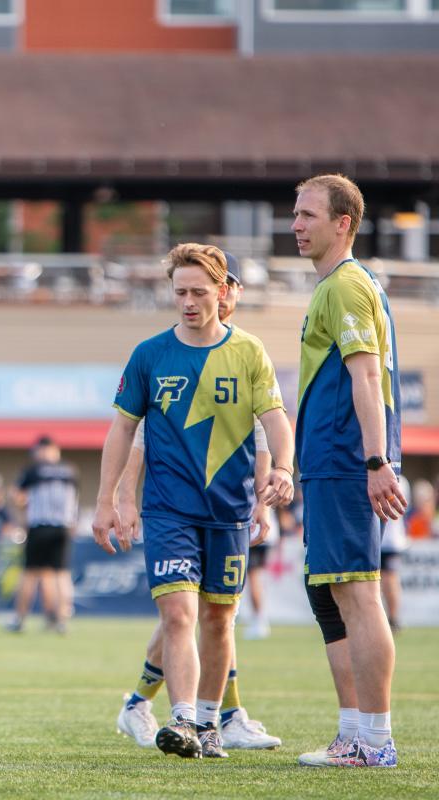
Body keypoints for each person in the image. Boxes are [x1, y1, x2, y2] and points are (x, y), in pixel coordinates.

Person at [92, 243, 294, 760]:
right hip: (168, 510)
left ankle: (211, 722)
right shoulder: (150, 354)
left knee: (219, 620)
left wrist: (283, 472)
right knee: (179, 615)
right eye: (179, 291)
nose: (187, 302)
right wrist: (108, 499)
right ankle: (182, 719)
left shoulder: (248, 351)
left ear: (222, 292)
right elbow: (124, 430)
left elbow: (274, 421)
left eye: (198, 292)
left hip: (228, 511)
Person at [291, 174, 405, 768]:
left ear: (343, 224)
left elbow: (365, 376)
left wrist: (375, 460)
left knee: (358, 594)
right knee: (338, 594)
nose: (296, 224)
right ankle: (355, 733)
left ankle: (375, 742)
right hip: (333, 460)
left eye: (308, 215)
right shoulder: (338, 285)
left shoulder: (346, 285)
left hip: (345, 459)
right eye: (295, 213)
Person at [5, 436, 79, 634]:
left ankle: (19, 619)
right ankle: (61, 620)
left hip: (39, 526)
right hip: (63, 527)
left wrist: (21, 513)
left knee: (29, 574)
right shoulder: (70, 470)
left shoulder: (33, 471)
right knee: (61, 574)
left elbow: (15, 496)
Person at [379, 475, 409, 634]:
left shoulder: (398, 480)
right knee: (387, 579)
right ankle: (389, 619)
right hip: (388, 538)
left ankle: (393, 618)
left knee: (389, 579)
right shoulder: (401, 480)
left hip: (389, 539)